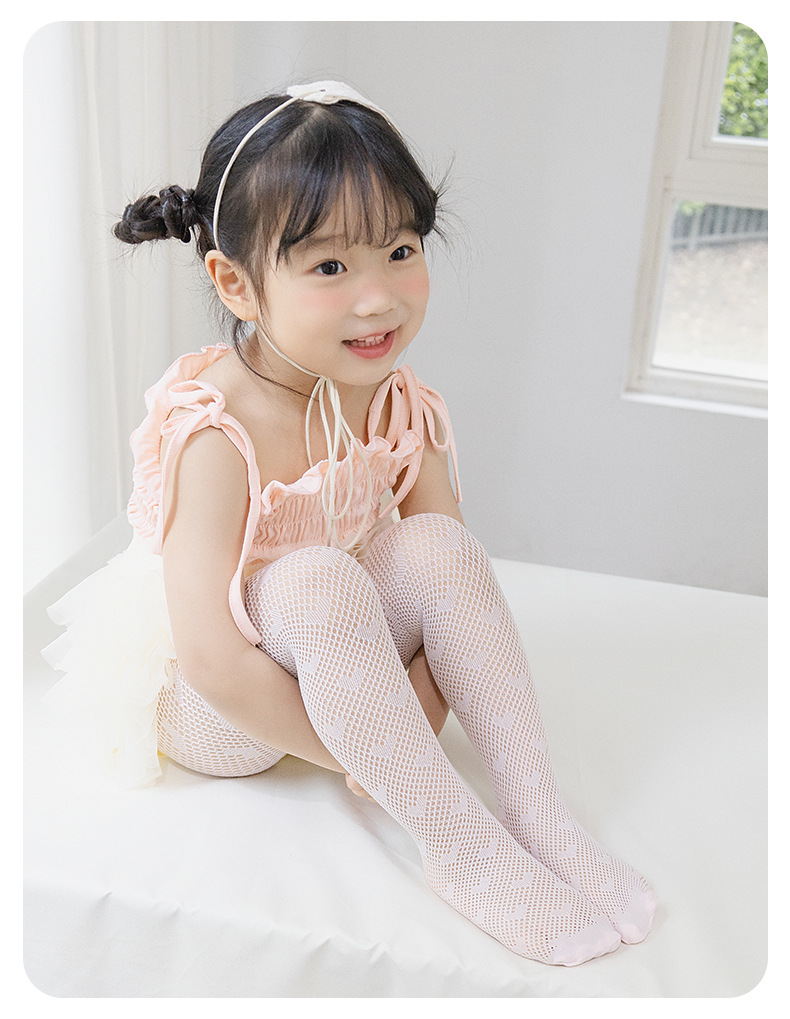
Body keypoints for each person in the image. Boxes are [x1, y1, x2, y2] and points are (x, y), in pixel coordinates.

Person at [44, 81, 656, 967]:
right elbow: (214, 661)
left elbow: (450, 599)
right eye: (330, 267)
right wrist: (362, 755)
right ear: (236, 285)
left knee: (441, 545)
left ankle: (540, 818)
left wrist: (411, 717)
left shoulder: (400, 401)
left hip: (340, 658)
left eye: (400, 251)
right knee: (315, 576)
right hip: (218, 705)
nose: (378, 299)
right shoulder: (214, 429)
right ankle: (462, 847)